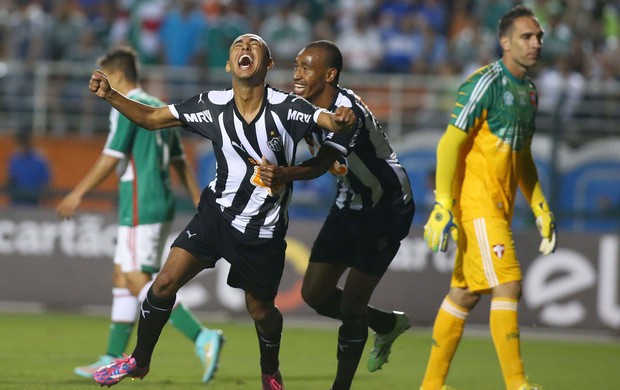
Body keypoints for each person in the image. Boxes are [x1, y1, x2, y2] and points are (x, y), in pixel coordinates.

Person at [89, 34, 358, 389]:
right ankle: (139, 361)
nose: (245, 47)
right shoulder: (211, 105)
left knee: (261, 312)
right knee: (164, 282)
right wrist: (110, 95)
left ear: (268, 64)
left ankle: (270, 370)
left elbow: (328, 121)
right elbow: (154, 117)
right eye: (239, 45)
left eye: (255, 44)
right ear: (230, 65)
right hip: (215, 216)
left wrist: (341, 118)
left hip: (262, 231)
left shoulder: (288, 108)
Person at [56, 46, 224, 384]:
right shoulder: (158, 104)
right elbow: (179, 160)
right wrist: (197, 199)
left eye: (102, 74)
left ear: (115, 75)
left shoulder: (125, 106)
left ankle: (201, 336)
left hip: (139, 201)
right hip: (158, 201)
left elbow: (111, 155)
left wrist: (77, 192)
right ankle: (111, 355)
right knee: (122, 275)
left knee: (135, 276)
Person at [259, 40, 415, 390]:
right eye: (296, 65)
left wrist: (283, 174)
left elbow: (320, 165)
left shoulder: (347, 112)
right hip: (348, 203)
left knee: (353, 304)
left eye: (305, 67)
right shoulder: (303, 108)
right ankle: (386, 325)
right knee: (315, 295)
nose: (296, 74)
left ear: (329, 74)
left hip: (385, 209)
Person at [419, 5, 556, 390]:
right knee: (508, 283)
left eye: (539, 37)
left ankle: (431, 385)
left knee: (463, 294)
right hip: (477, 205)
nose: (535, 43)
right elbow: (450, 142)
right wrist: (443, 203)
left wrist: (540, 206)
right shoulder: (486, 82)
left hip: (501, 207)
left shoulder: (528, 93)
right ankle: (517, 384)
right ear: (505, 42)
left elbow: (522, 155)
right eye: (526, 37)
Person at [7, 130, 51, 206]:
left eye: (25, 141)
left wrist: (45, 202)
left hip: (33, 202)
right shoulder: (14, 158)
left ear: (30, 141)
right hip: (16, 202)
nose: (23, 144)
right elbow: (11, 179)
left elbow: (45, 183)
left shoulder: (39, 158)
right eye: (21, 142)